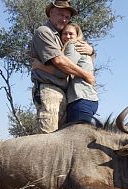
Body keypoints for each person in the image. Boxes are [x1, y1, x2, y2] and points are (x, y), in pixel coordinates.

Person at [31, 0, 95, 133]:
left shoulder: (63, 38)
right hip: (50, 90)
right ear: (51, 12)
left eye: (67, 17)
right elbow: (61, 64)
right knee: (48, 139)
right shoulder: (44, 32)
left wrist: (92, 50)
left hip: (65, 95)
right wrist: (86, 75)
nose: (64, 19)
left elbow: (81, 60)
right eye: (61, 15)